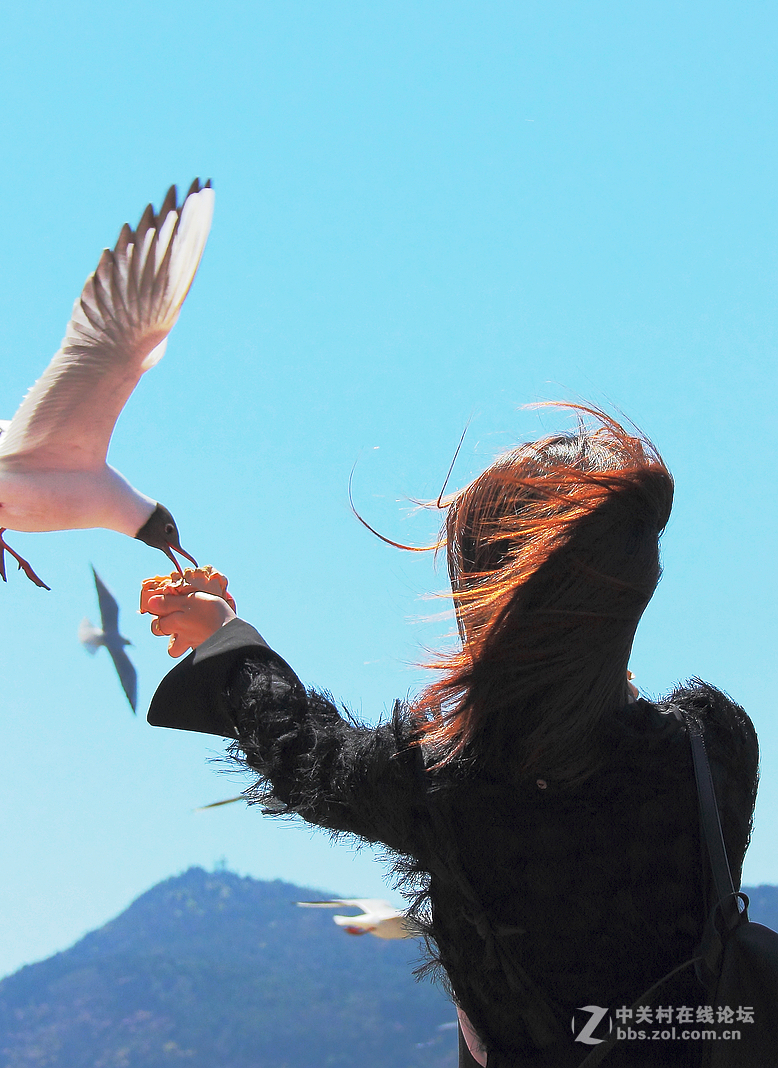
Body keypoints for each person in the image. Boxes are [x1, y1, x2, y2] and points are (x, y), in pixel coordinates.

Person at [141, 409, 759, 1067]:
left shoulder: (441, 781)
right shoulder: (712, 745)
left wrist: (227, 638)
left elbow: (298, 748)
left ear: (483, 597)